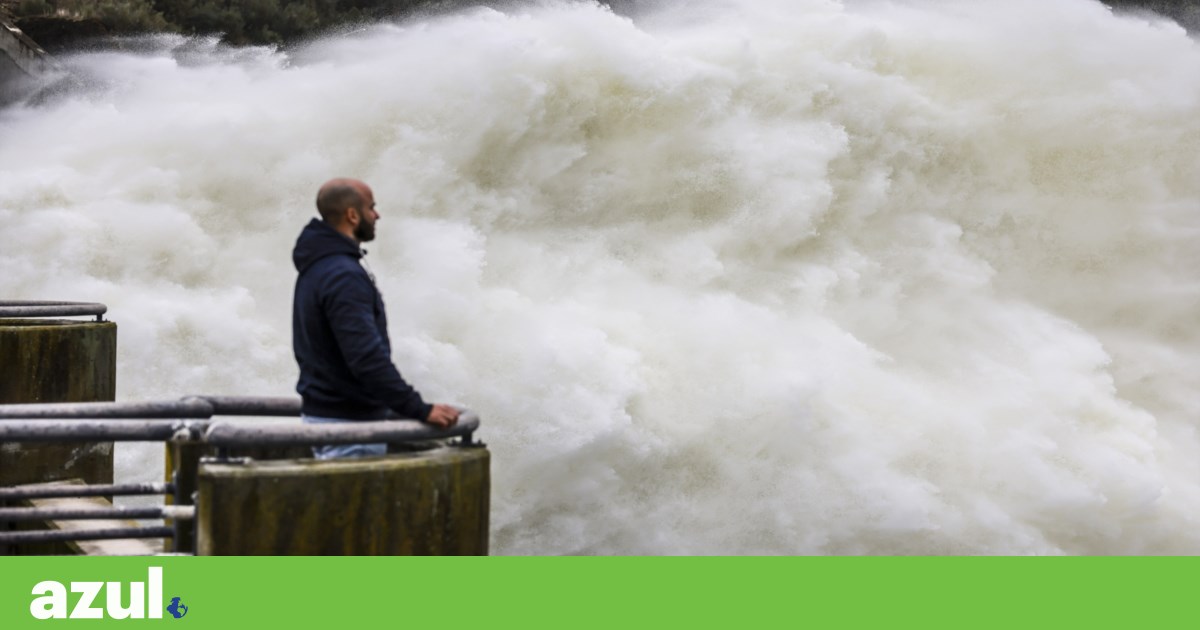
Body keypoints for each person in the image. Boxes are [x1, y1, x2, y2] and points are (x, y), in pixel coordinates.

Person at [292, 177, 460, 459]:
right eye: (371, 207)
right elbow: (366, 358)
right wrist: (419, 408)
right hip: (350, 429)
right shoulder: (343, 276)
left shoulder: (318, 266)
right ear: (352, 215)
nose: (377, 215)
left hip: (326, 418)